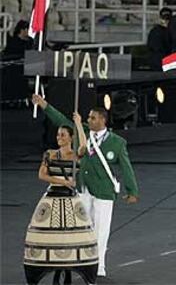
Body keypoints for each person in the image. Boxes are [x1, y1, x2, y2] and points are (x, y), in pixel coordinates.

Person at [32, 94, 139, 277]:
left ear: (103, 120)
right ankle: (83, 262)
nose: (89, 120)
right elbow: (61, 120)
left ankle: (99, 265)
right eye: (88, 118)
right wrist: (44, 104)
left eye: (92, 117)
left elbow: (126, 167)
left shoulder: (117, 142)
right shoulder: (82, 132)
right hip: (83, 188)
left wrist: (132, 190)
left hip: (104, 190)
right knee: (82, 228)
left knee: (101, 229)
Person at [24, 114, 99, 285]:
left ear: (70, 138)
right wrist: (64, 181)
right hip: (52, 197)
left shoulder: (75, 156)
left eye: (63, 135)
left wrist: (79, 124)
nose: (59, 138)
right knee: (49, 234)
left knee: (72, 233)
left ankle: (70, 268)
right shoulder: (50, 154)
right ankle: (49, 267)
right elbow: (42, 174)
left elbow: (84, 146)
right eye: (58, 135)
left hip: (71, 201)